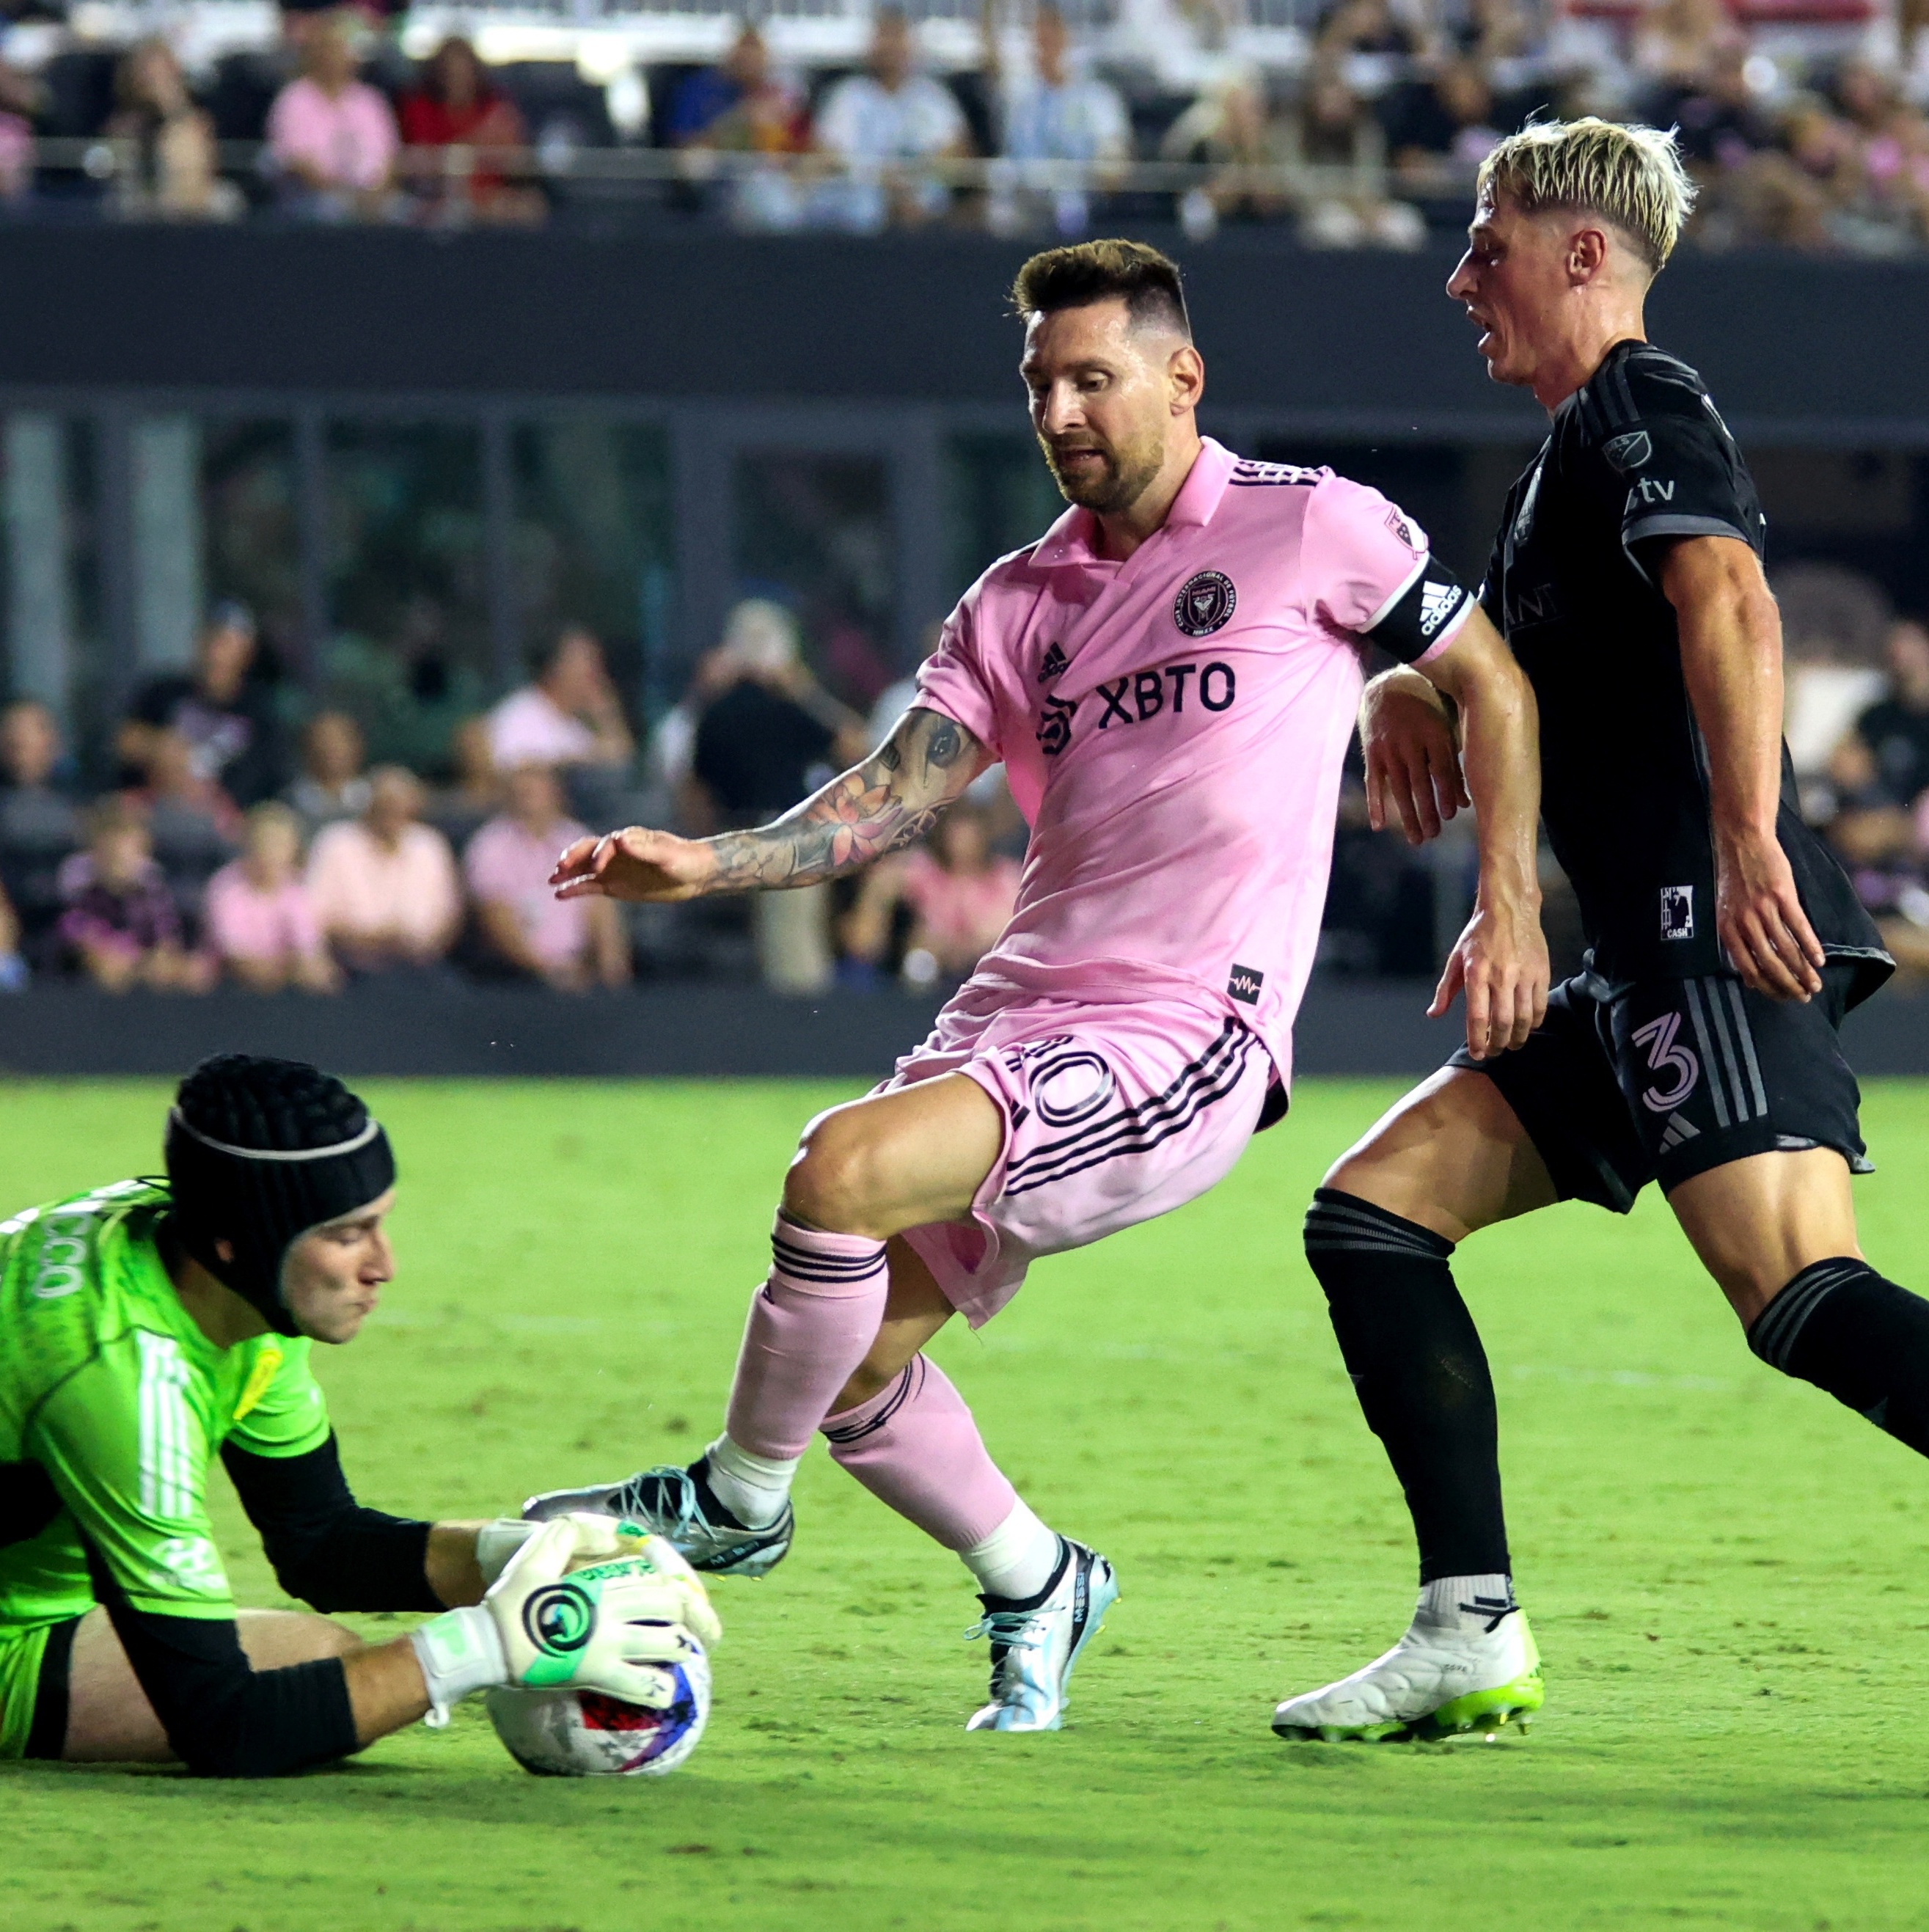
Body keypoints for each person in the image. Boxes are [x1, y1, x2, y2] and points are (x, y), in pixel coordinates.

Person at [524, 239, 1545, 1735]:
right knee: (855, 1373)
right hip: (1013, 1011)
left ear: (1181, 380)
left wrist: (1506, 904)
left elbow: (1495, 684)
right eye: (1038, 384)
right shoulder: (1018, 599)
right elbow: (887, 797)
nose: (1061, 410)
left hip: (1186, 1027)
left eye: (1093, 378)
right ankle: (1036, 1577)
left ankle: (737, 1502)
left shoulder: (1309, 525)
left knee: (839, 1172)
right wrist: (707, 866)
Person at [1272, 119, 1910, 1746]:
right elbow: (1537, 678)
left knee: (1793, 1292)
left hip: (1708, 924)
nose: (1457, 276)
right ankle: (1466, 1629)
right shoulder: (1562, 459)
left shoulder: (1640, 398)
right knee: (1369, 1221)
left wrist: (1749, 835)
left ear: (1578, 254)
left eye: (1486, 244)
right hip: (1634, 955)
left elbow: (1732, 602)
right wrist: (1408, 686)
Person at [0, 1053, 718, 1774]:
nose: (384, 1265)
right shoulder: (121, 1381)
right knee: (314, 1674)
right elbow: (224, 1726)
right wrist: (488, 1644)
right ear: (236, 1242)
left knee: (331, 1668)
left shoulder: (205, 1268)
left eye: (379, 1224)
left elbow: (319, 1542)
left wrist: (511, 1554)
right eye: (346, 1235)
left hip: (33, 1583)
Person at [687, 601, 870, 995]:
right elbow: (860, 745)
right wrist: (805, 690)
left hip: (727, 848)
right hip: (786, 844)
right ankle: (805, 1037)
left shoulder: (715, 711)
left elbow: (695, 790)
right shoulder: (793, 707)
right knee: (796, 965)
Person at [464, 764, 630, 992]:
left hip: (582, 969)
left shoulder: (577, 839)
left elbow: (600, 905)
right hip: (515, 977)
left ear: (556, 794)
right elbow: (496, 916)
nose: (529, 800)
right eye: (522, 793)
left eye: (536, 791)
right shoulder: (490, 846)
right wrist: (550, 970)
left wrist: (611, 964)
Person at [811, 7, 974, 233]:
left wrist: (911, 181)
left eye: (897, 37)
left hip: (922, 215)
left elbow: (958, 153)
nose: (890, 46)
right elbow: (826, 153)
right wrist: (879, 179)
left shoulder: (932, 97)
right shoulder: (849, 96)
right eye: (884, 36)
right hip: (855, 219)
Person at [120, 603, 286, 811]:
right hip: (159, 812)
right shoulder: (165, 692)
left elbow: (271, 776)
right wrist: (158, 746)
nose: (216, 652)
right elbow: (124, 741)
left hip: (229, 823)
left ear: (246, 652)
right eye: (212, 640)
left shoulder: (259, 709)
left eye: (227, 644)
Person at [986, 2, 1132, 237]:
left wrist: (1108, 164)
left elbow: (1113, 157)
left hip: (1079, 204)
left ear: (1067, 39)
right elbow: (1013, 157)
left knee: (1070, 212)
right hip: (1028, 202)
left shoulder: (1096, 98)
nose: (1045, 48)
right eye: (1039, 40)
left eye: (1051, 39)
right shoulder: (1020, 100)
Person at [840, 799, 1022, 986]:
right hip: (930, 968)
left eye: (970, 835)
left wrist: (967, 944)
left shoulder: (1005, 878)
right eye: (956, 835)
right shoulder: (927, 871)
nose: (962, 844)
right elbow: (884, 881)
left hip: (985, 966)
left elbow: (1011, 931)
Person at [305, 766, 462, 977]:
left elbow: (450, 915)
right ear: (369, 806)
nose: (392, 813)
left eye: (400, 806)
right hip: (350, 965)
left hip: (421, 964)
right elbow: (314, 915)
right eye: (385, 806)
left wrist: (422, 945)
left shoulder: (429, 844)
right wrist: (374, 940)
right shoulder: (336, 842)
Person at [56, 803, 214, 995]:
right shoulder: (81, 893)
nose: (124, 863)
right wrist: (131, 963)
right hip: (88, 979)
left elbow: (166, 942)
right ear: (98, 853)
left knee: (194, 970)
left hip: (142, 968)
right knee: (109, 971)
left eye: (131, 853)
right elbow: (88, 948)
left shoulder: (152, 890)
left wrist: (156, 962)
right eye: (115, 855)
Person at [266, 8, 399, 222]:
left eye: (342, 48)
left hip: (371, 197)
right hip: (311, 198)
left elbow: (389, 158)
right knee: (333, 208)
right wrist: (345, 194)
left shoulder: (370, 100)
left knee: (406, 212)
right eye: (329, 48)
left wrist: (375, 192)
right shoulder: (294, 99)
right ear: (315, 52)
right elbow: (297, 162)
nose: (336, 55)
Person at [396, 36, 543, 225]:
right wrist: (476, 141)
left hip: (491, 198)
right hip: (434, 199)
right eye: (449, 73)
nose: (458, 80)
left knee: (531, 206)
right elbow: (422, 162)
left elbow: (515, 158)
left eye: (464, 72)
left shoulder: (495, 106)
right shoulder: (419, 108)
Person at [204, 802, 341, 995]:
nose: (270, 853)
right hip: (227, 992)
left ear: (293, 850)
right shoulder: (227, 888)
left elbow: (311, 953)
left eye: (280, 844)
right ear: (248, 845)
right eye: (264, 843)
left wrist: (309, 968)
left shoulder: (296, 890)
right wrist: (291, 967)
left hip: (285, 990)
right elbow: (238, 961)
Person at [106, 37, 244, 221]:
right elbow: (124, 174)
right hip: (142, 205)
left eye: (162, 73)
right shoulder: (124, 125)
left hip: (193, 204)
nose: (155, 80)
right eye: (148, 74)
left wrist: (170, 101)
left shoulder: (194, 121)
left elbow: (199, 171)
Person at [485, 628, 634, 775]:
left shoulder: (577, 726)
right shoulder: (518, 715)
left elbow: (621, 762)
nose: (596, 674)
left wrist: (607, 716)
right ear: (555, 668)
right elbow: (511, 773)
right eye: (587, 662)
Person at [0, 699, 82, 961]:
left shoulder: (81, 803)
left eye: (27, 732)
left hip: (70, 927)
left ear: (51, 741)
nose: (19, 742)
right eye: (11, 733)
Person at [285, 710, 373, 835]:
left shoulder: (376, 798)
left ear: (357, 746)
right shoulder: (289, 803)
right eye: (323, 741)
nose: (331, 748)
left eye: (340, 740)